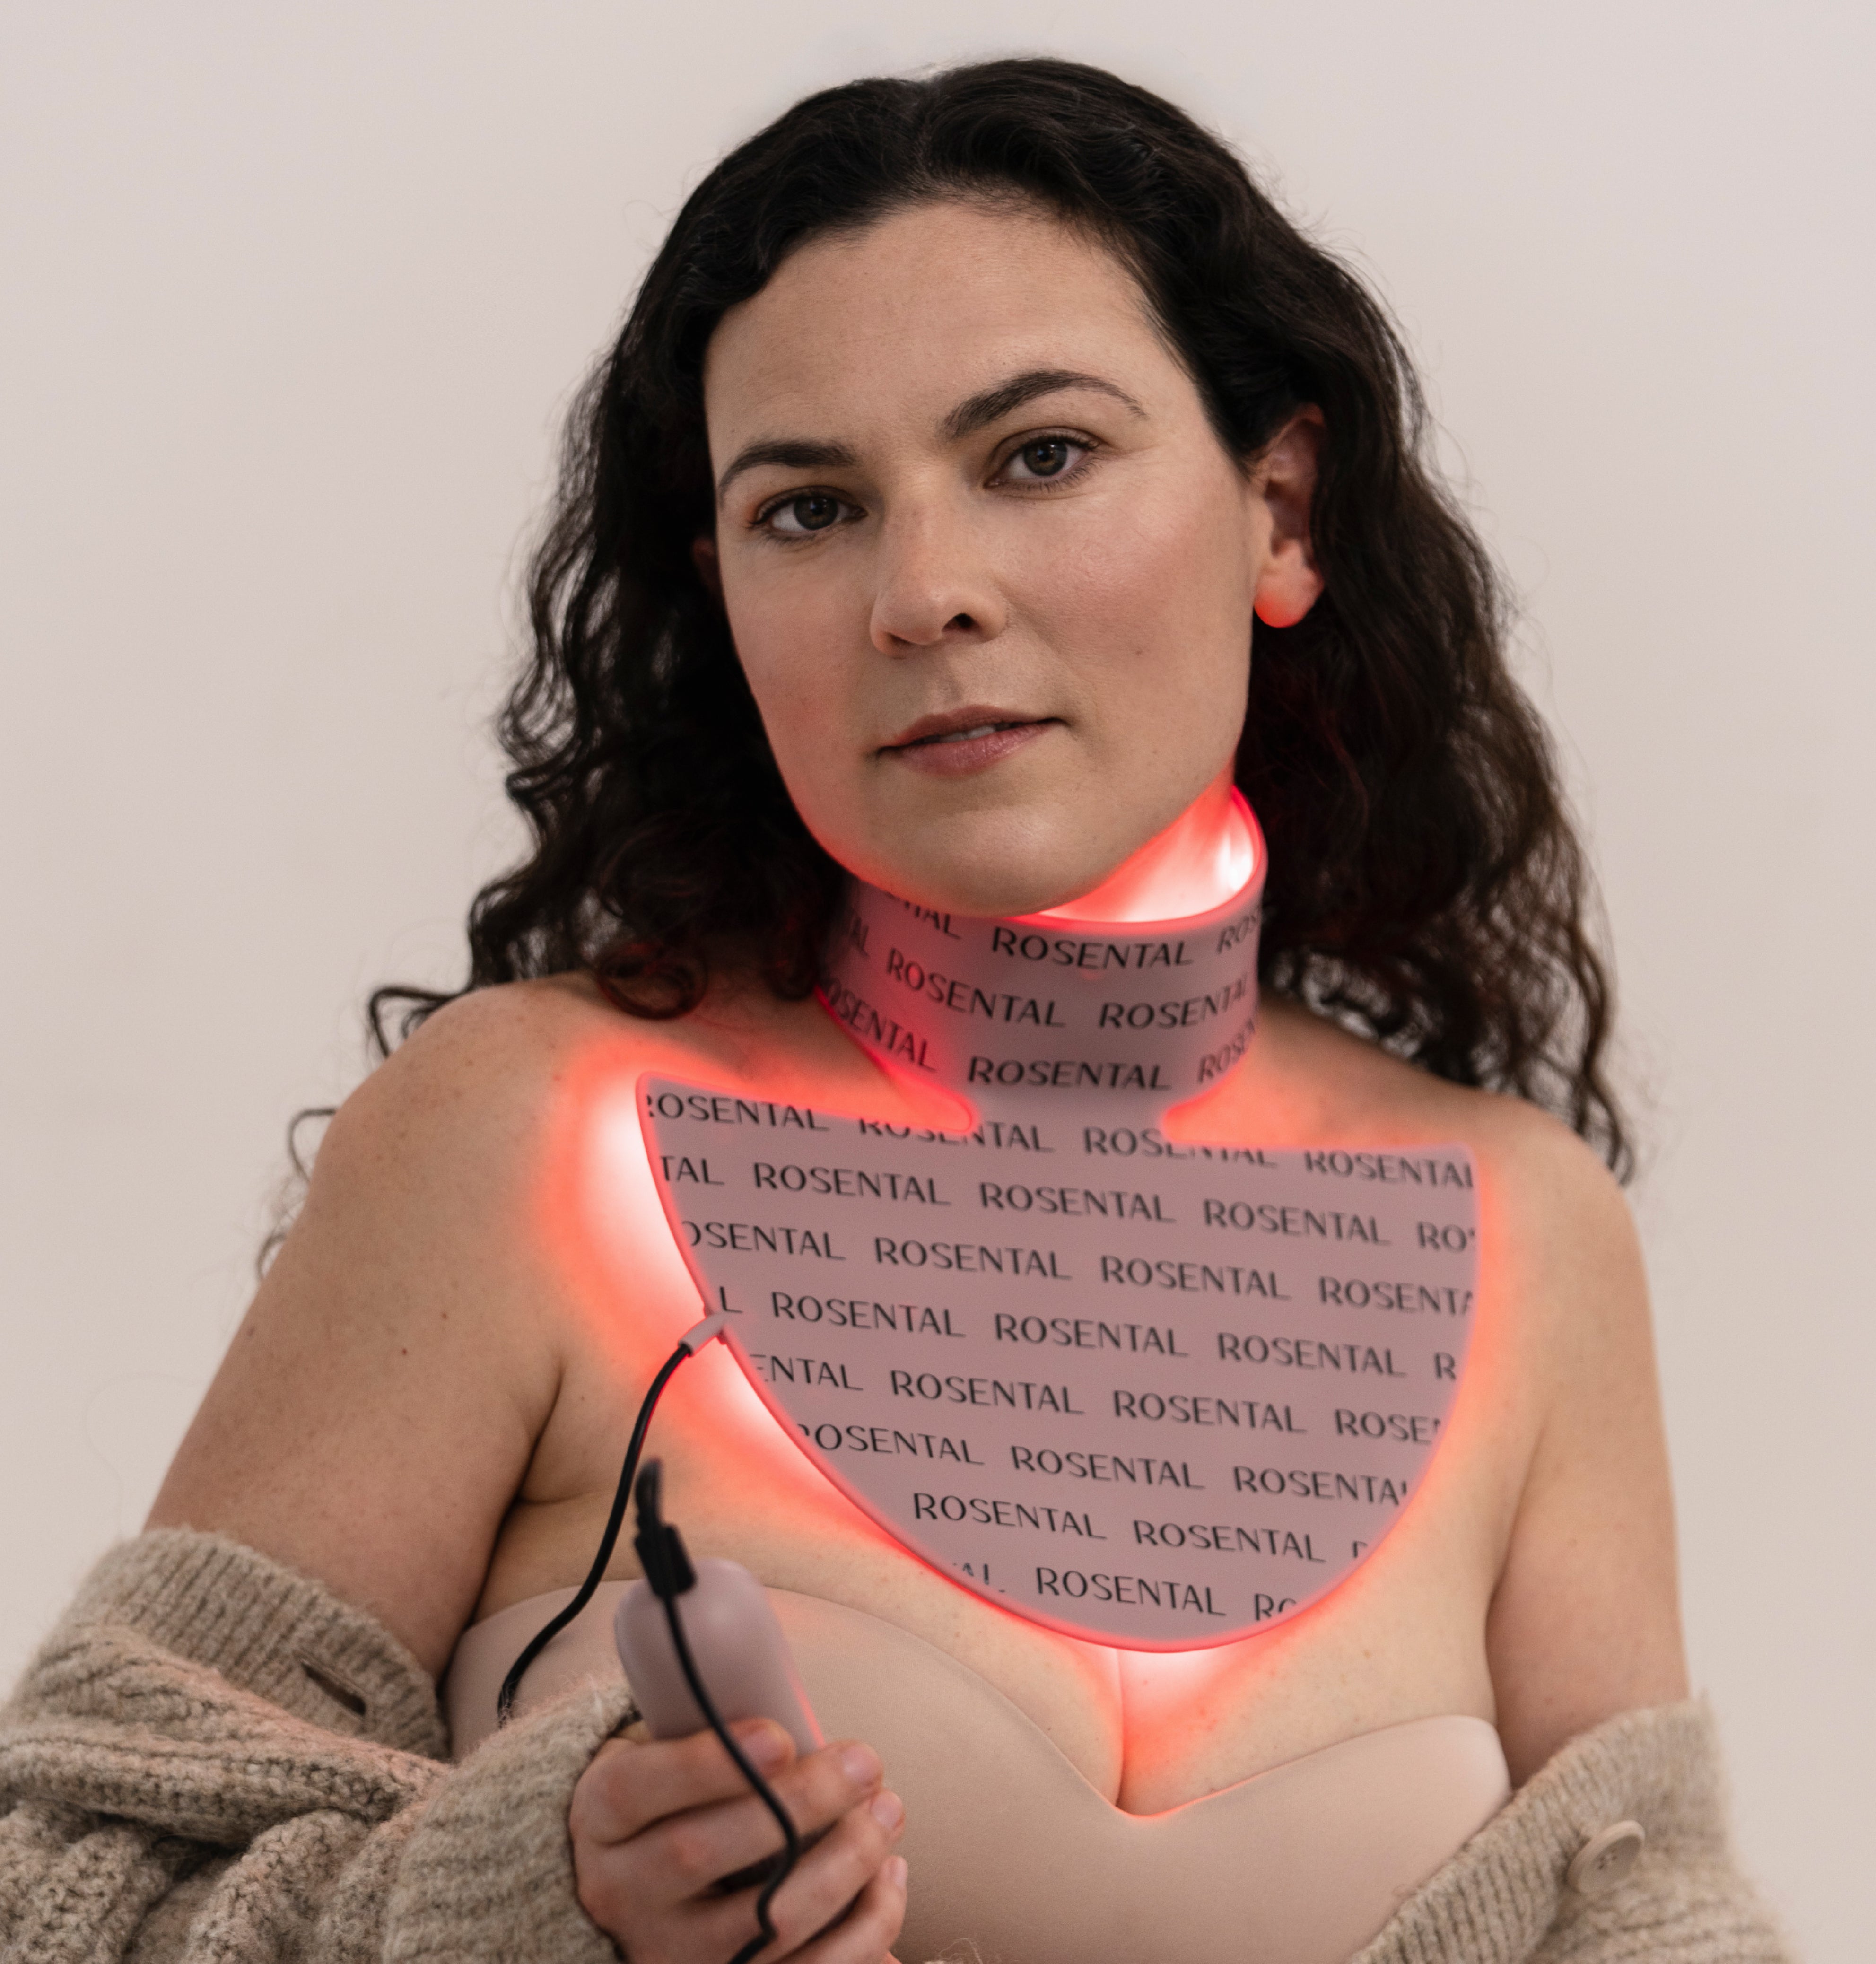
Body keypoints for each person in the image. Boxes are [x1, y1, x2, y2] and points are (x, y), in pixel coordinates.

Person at [0, 56, 1789, 1964]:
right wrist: (535, 1900)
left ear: (1279, 510)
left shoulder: (1524, 1230)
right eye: (809, 508)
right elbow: (57, 1904)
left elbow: (1652, 1927)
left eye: (1039, 457)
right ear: (723, 593)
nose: (920, 593)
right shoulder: (524, 1138)